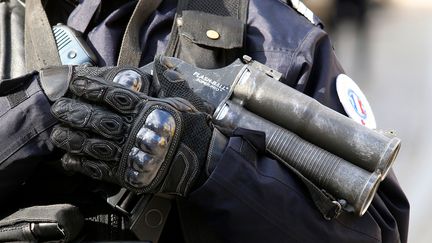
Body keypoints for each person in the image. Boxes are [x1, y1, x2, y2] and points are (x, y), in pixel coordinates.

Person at [0, 0, 409, 242]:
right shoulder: (9, 23)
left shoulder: (274, 35)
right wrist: (38, 109)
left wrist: (209, 163)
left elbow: (376, 231)